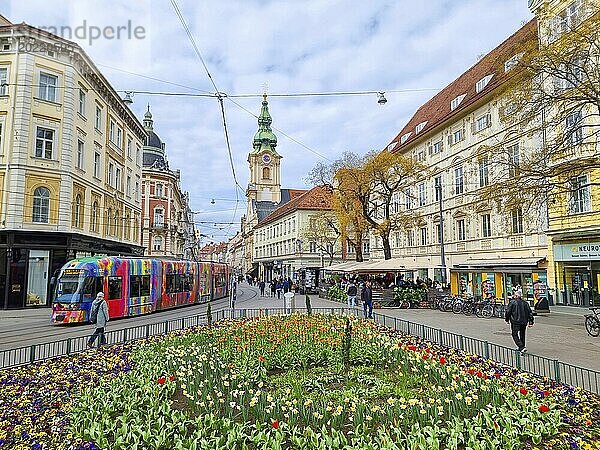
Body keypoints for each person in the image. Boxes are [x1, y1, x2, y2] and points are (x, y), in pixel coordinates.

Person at [504, 289, 534, 355]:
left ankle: (521, 347)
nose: (513, 296)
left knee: (514, 334)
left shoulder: (512, 302)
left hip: (515, 321)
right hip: (524, 322)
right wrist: (531, 321)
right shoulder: (525, 303)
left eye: (514, 295)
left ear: (516, 296)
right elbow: (530, 312)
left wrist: (507, 319)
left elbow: (508, 311)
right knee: (522, 334)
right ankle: (522, 348)